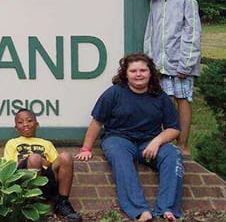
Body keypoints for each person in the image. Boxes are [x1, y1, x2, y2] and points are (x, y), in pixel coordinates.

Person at [75, 53, 183, 222]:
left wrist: (157, 141)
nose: (138, 74)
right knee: (121, 157)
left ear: (150, 73)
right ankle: (140, 210)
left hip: (149, 142)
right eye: (133, 71)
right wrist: (86, 148)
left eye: (143, 70)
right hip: (118, 139)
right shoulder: (114, 93)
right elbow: (97, 122)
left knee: (172, 154)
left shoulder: (160, 96)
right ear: (126, 74)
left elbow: (174, 128)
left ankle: (167, 208)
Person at [143, 0, 201, 156]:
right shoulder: (155, 1)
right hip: (160, 63)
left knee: (182, 99)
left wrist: (186, 63)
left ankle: (183, 145)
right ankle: (165, 142)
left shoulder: (187, 0)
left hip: (181, 62)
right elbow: (150, 32)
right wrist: (150, 61)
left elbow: (192, 33)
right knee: (164, 101)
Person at [3, 109, 81, 221]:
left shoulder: (46, 143)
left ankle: (62, 203)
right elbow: (9, 166)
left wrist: (45, 162)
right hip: (24, 177)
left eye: (29, 120)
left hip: (46, 177)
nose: (25, 124)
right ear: (16, 127)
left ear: (37, 124)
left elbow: (55, 163)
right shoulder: (12, 143)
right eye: (20, 122)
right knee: (35, 158)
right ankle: (33, 203)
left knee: (65, 156)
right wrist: (32, 159)